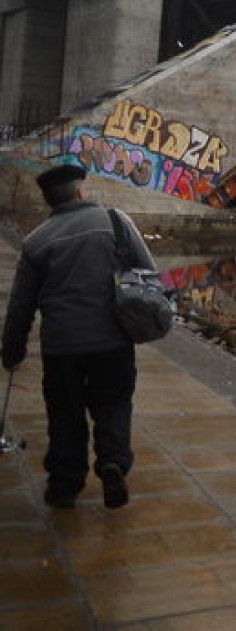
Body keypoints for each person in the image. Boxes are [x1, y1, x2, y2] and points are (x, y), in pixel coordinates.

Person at [2, 163, 155, 509]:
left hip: (62, 347)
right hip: (113, 342)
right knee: (114, 404)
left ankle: (64, 486)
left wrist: (12, 351)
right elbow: (147, 272)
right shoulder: (117, 222)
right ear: (81, 190)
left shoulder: (36, 242)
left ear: (49, 201)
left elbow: (20, 306)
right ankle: (113, 463)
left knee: (65, 414)